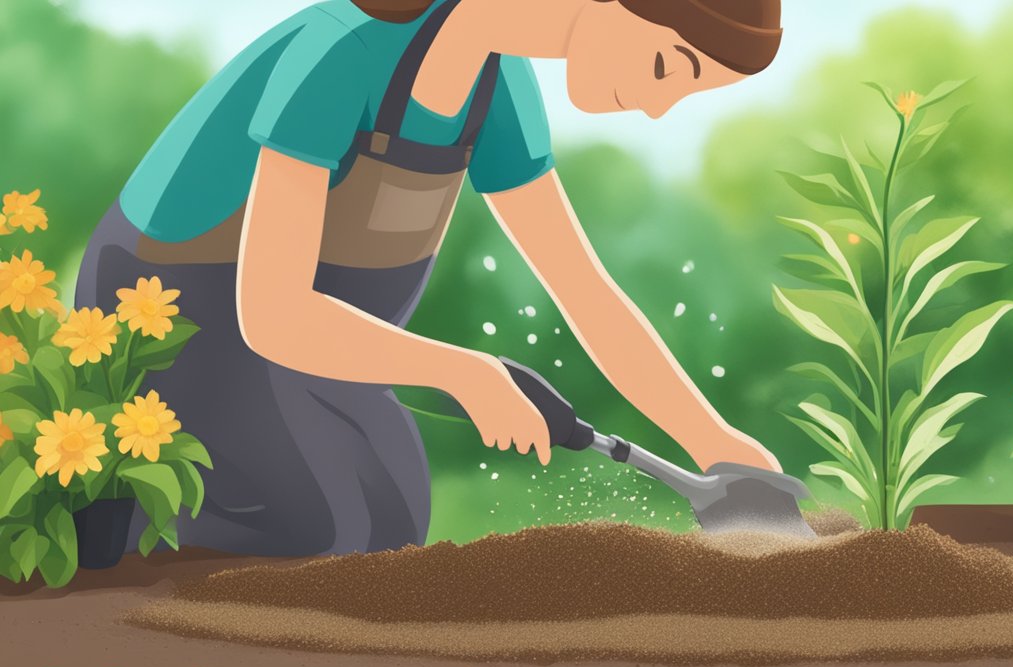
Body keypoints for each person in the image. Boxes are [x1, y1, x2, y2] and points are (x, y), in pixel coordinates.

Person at [74, 0, 785, 556]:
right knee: (324, 528)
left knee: (390, 518)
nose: (658, 107)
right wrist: (466, 375)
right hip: (174, 315)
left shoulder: (498, 84)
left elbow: (585, 293)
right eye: (668, 67)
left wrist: (711, 439)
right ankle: (110, 544)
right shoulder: (341, 53)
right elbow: (271, 310)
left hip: (325, 345)